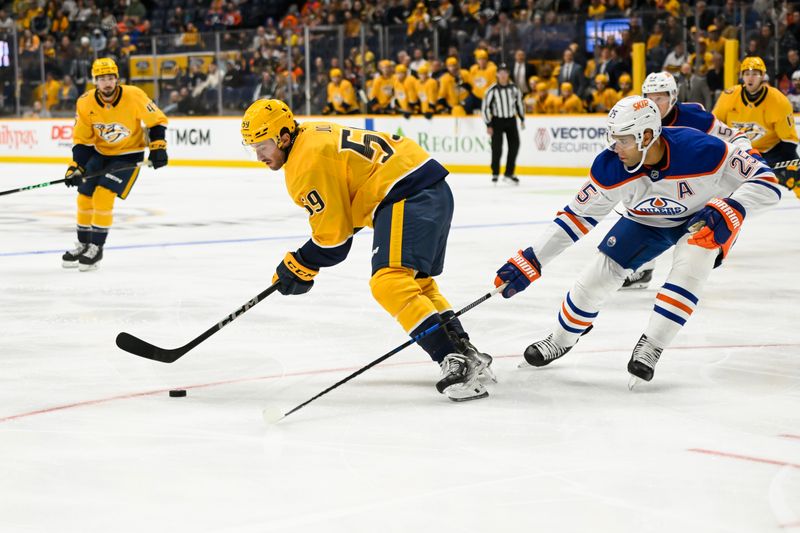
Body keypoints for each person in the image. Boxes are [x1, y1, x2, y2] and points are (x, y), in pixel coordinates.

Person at [493, 96, 781, 388]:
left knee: (690, 269)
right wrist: (532, 259)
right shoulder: (610, 167)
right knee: (593, 281)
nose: (614, 147)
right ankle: (560, 339)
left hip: (702, 220)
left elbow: (767, 183)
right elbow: (575, 218)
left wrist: (732, 208)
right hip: (645, 221)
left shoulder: (703, 150)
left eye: (623, 140)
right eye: (613, 138)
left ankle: (653, 344)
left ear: (646, 136)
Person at [240, 99, 495, 401]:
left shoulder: (304, 163)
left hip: (407, 193)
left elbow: (333, 243)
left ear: (283, 136)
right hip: (428, 188)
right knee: (416, 283)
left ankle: (452, 360)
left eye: (263, 146)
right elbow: (346, 213)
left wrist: (297, 265)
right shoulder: (310, 134)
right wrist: (304, 266)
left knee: (389, 282)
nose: (258, 156)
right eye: (251, 147)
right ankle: (464, 351)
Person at [619, 70, 754, 289]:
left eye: (660, 98)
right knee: (639, 208)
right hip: (663, 180)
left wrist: (748, 155)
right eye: (649, 98)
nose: (654, 103)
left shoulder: (694, 116)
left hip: (699, 181)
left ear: (673, 96)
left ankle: (706, 255)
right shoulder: (638, 120)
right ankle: (643, 268)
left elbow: (735, 136)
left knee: (703, 228)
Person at [62, 57, 168, 271]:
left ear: (117, 79)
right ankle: (83, 244)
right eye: (102, 79)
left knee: (103, 195)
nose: (107, 83)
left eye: (111, 78)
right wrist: (76, 167)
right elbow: (82, 140)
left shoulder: (134, 95)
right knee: (84, 196)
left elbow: (156, 121)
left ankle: (97, 248)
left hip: (129, 155)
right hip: (101, 153)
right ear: (95, 81)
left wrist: (158, 147)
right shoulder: (85, 102)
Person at [714, 56, 800, 199]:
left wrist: (790, 166)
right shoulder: (729, 96)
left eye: (755, 74)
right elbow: (714, 126)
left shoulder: (778, 100)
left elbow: (788, 141)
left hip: (769, 152)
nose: (750, 78)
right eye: (747, 74)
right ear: (742, 77)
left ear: (762, 76)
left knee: (796, 178)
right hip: (736, 152)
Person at [481, 63, 525, 185]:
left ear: (508, 74)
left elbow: (519, 104)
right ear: (497, 74)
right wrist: (488, 124)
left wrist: (522, 118)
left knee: (514, 145)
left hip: (511, 120)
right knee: (497, 148)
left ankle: (509, 173)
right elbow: (485, 108)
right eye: (501, 72)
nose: (503, 75)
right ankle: (495, 173)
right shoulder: (492, 89)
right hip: (497, 121)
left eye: (505, 72)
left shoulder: (514, 88)